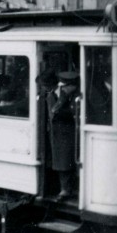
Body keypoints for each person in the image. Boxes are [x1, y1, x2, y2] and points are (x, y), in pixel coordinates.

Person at [49, 71, 80, 199]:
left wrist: (57, 108)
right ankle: (66, 188)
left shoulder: (71, 95)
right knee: (63, 161)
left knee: (65, 161)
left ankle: (66, 189)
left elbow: (69, 112)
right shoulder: (64, 94)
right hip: (62, 133)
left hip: (67, 132)